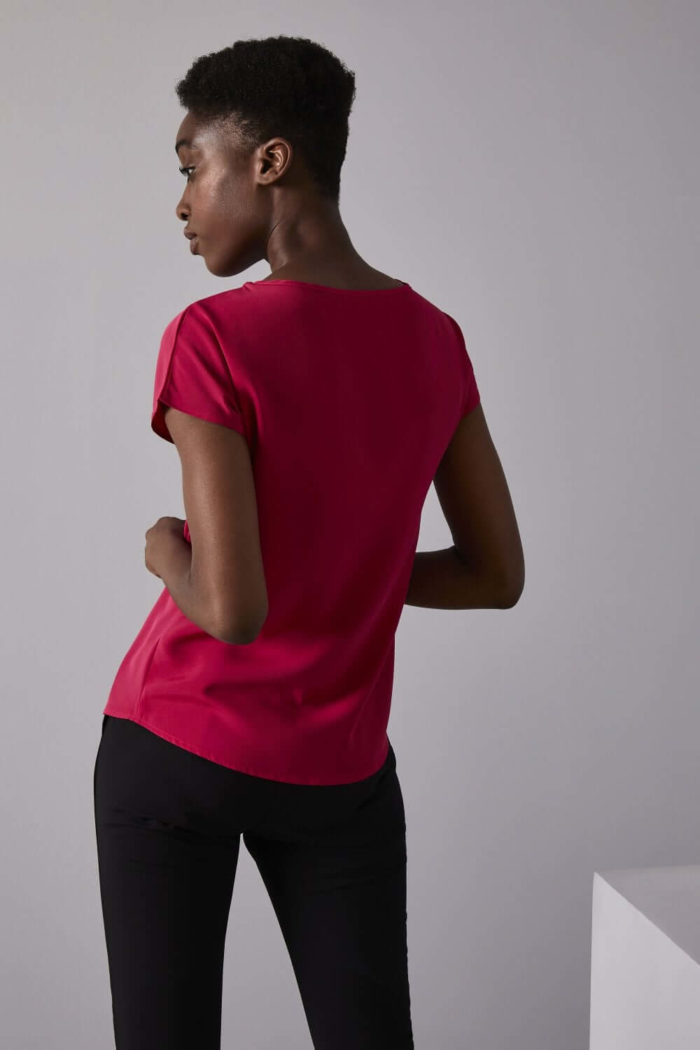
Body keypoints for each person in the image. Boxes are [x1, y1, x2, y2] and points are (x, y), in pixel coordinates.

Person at [93, 33, 525, 1050]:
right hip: (339, 770)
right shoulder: (435, 339)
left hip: (177, 748)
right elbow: (494, 574)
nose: (182, 202)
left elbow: (230, 610)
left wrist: (164, 551)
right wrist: (350, 567)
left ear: (270, 160)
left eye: (191, 165)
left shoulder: (213, 336)